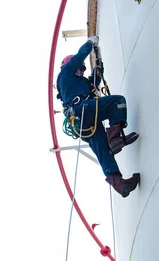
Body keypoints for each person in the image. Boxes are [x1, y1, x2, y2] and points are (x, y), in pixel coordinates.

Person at [56, 36, 140, 197]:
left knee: (103, 151)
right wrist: (90, 43)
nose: (81, 71)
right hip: (82, 109)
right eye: (79, 68)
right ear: (70, 65)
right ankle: (115, 138)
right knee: (117, 101)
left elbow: (95, 81)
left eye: (82, 69)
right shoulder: (65, 75)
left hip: (83, 121)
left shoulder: (80, 82)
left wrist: (99, 65)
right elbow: (80, 56)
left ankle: (119, 184)